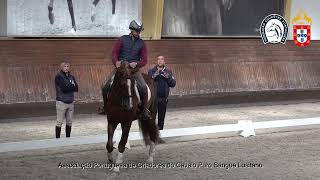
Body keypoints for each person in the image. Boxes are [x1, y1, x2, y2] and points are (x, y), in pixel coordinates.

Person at [101, 20, 151, 119]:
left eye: (139, 31)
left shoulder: (142, 43)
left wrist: (137, 63)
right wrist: (116, 62)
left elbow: (144, 60)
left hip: (134, 70)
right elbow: (114, 53)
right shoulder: (122, 39)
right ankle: (105, 107)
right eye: (137, 31)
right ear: (131, 30)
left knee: (143, 87)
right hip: (121, 69)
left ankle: (144, 110)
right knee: (105, 86)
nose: (138, 33)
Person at [148, 56, 176, 130]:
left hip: (163, 99)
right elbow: (148, 83)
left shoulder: (168, 72)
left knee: (161, 119)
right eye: (158, 59)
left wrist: (168, 78)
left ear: (164, 61)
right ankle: (153, 135)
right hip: (153, 99)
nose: (160, 61)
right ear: (156, 61)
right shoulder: (151, 71)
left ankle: (160, 134)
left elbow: (173, 84)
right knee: (152, 118)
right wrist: (154, 76)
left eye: (162, 59)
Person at [55, 62, 78, 138]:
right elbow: (64, 89)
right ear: (61, 67)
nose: (66, 68)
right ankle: (57, 139)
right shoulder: (59, 76)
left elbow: (76, 88)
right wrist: (72, 86)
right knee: (59, 122)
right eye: (65, 66)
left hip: (70, 102)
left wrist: (69, 86)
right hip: (61, 102)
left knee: (69, 122)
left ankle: (68, 139)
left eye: (68, 66)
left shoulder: (72, 77)